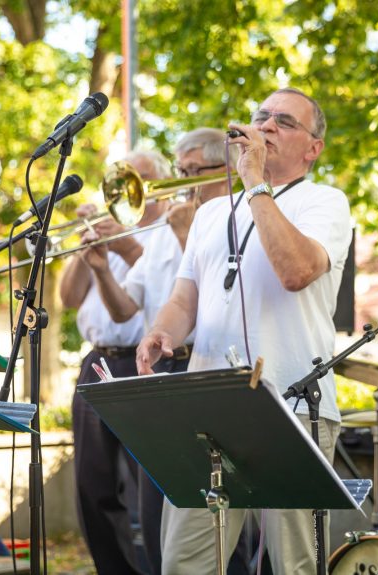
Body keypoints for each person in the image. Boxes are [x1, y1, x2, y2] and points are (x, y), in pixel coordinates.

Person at [135, 88, 352, 574]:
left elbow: (295, 271)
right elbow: (184, 298)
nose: (267, 126)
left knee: (294, 565)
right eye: (260, 117)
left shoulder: (326, 202)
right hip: (210, 409)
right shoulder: (211, 213)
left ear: (313, 149)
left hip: (294, 405)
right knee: (184, 563)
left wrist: (254, 181)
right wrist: (160, 331)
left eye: (284, 121)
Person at [80, 129, 236, 574]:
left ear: (222, 172)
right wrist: (99, 270)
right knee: (153, 509)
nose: (182, 183)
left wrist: (189, 235)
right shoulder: (167, 230)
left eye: (191, 172)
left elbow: (219, 302)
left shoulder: (231, 222)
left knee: (211, 511)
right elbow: (128, 308)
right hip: (161, 373)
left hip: (199, 368)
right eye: (180, 171)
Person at [60, 149, 170, 575]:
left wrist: (124, 246)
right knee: (93, 481)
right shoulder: (108, 232)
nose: (131, 189)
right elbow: (69, 298)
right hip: (98, 362)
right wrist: (83, 244)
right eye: (126, 180)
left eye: (143, 179)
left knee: (153, 485)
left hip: (147, 361)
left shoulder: (166, 231)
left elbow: (157, 290)